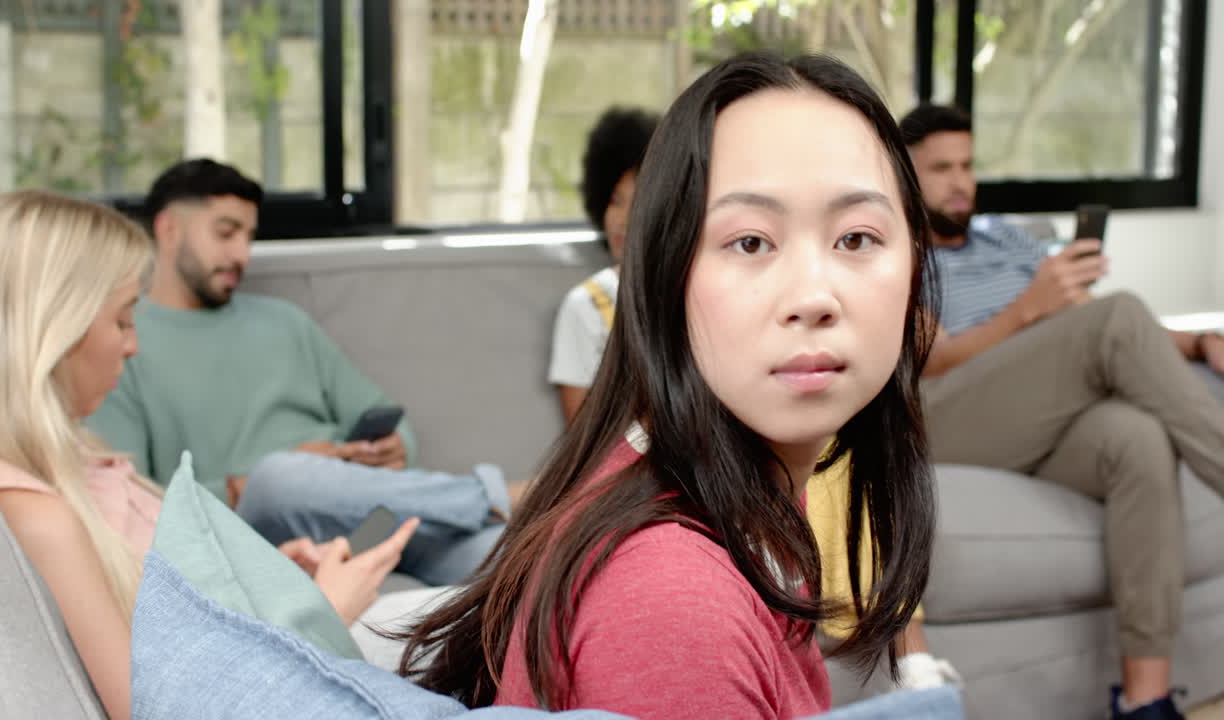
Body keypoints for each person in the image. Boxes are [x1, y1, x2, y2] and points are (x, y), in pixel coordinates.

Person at [399, 52, 939, 719]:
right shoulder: (672, 600)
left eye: (856, 237)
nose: (813, 295)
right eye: (750, 242)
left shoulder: (751, 495)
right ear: (663, 276)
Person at [0, 190, 420, 720]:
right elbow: (162, 707)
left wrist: (262, 578)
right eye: (122, 321)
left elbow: (163, 599)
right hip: (292, 670)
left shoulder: (73, 461)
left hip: (275, 643)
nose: (133, 346)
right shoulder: (36, 515)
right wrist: (318, 614)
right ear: (54, 330)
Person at [901, 102, 1224, 720]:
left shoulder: (1013, 239)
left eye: (967, 165)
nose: (959, 181)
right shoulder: (898, 252)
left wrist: (1200, 343)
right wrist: (1030, 306)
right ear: (904, 176)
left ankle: (1144, 700)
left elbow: (1105, 330)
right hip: (952, 411)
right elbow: (932, 361)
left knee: (1137, 437)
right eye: (939, 168)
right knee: (1121, 312)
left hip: (1039, 411)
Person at [86, 159, 509, 586]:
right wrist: (238, 487)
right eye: (226, 233)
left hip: (366, 518)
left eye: (249, 237)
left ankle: (495, 512)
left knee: (505, 558)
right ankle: (499, 495)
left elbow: (379, 411)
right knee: (277, 477)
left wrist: (396, 448)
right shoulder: (124, 342)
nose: (241, 255)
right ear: (169, 229)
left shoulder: (286, 322)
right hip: (256, 531)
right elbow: (133, 498)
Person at [549, 106, 659, 423]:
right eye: (614, 201)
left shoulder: (704, 292)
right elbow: (583, 438)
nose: (622, 220)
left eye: (637, 201)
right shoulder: (586, 306)